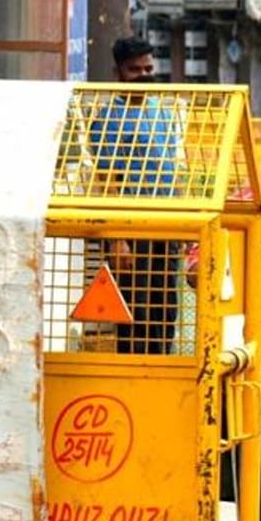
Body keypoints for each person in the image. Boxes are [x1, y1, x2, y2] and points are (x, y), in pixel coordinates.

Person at [89, 37, 181, 355]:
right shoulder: (108, 119)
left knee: (166, 308)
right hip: (131, 228)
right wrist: (117, 238)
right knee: (135, 312)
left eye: (148, 68)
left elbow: (172, 165)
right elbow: (106, 180)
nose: (143, 75)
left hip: (168, 226)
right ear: (118, 72)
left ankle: (164, 375)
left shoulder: (162, 111)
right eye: (134, 70)